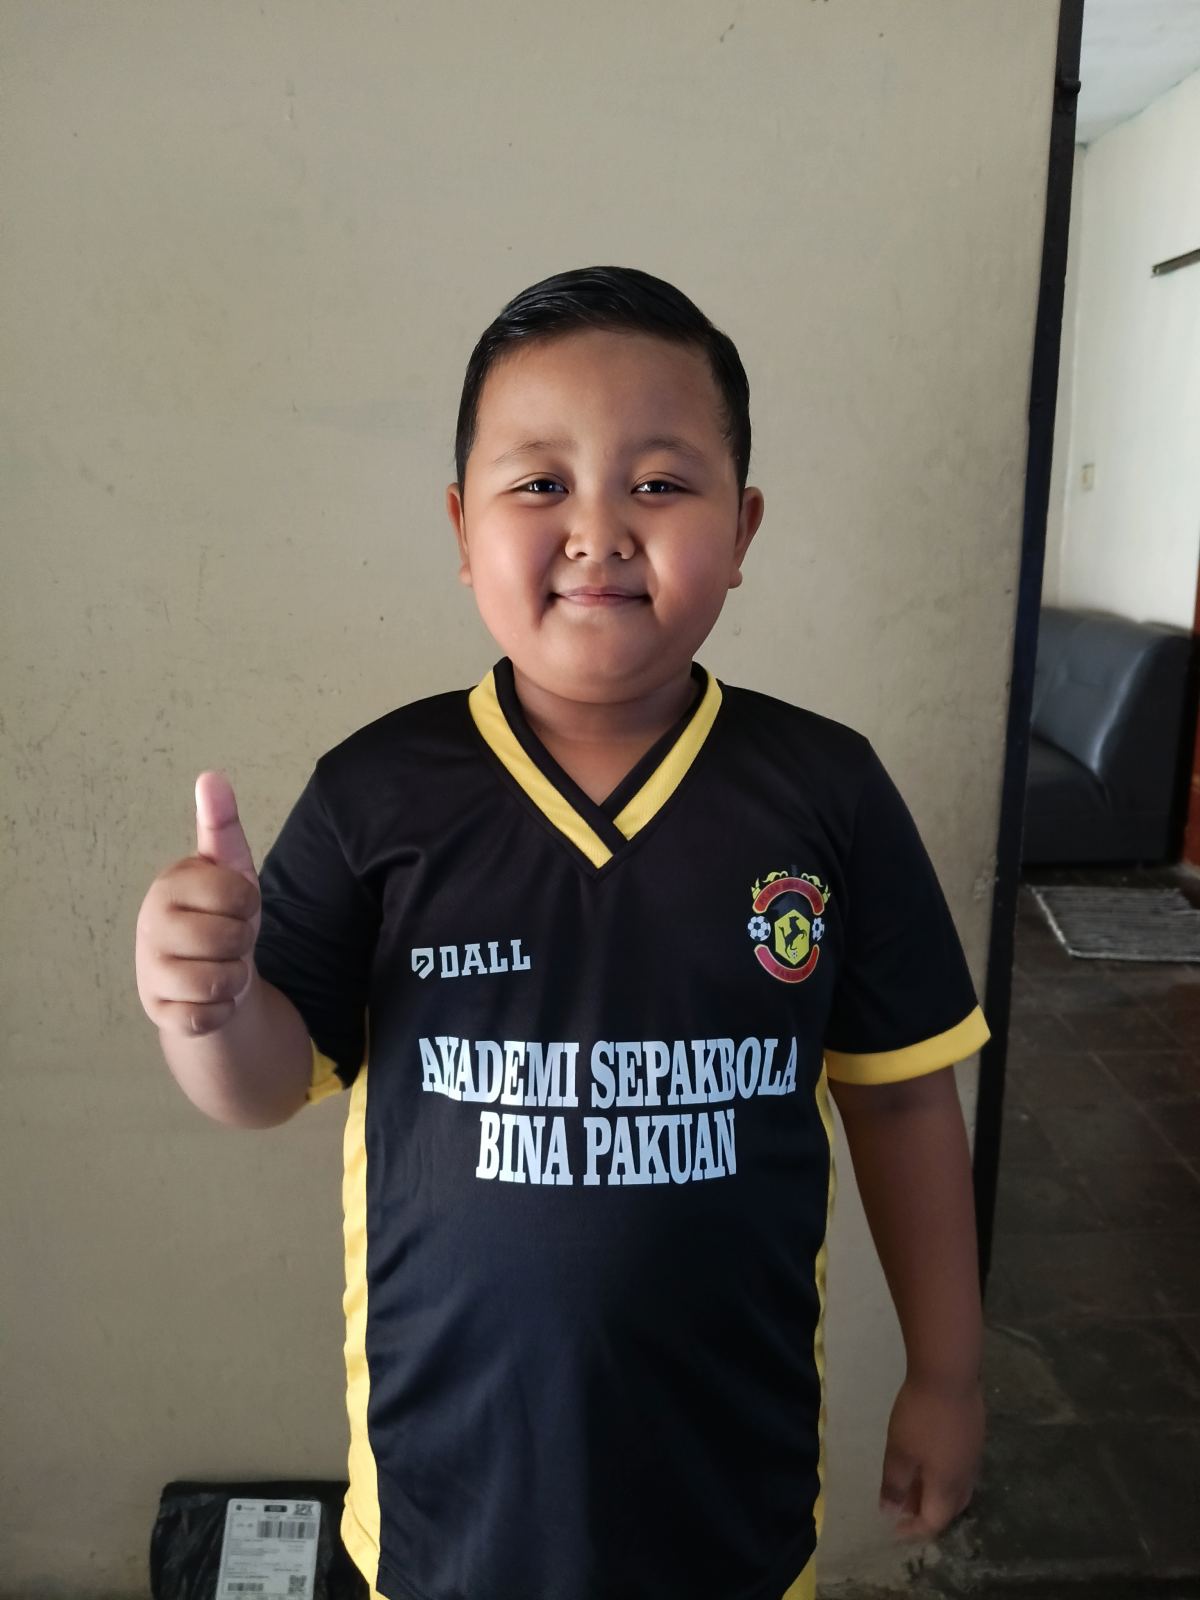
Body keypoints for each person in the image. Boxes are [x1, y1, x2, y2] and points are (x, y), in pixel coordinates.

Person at [134, 265, 990, 1600]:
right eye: (540, 484)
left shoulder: (826, 793)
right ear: (461, 524)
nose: (598, 530)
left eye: (660, 482)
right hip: (448, 1510)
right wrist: (206, 1003)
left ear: (743, 528)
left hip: (734, 1503)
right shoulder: (379, 793)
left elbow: (904, 1102)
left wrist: (949, 1372)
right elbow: (260, 1086)